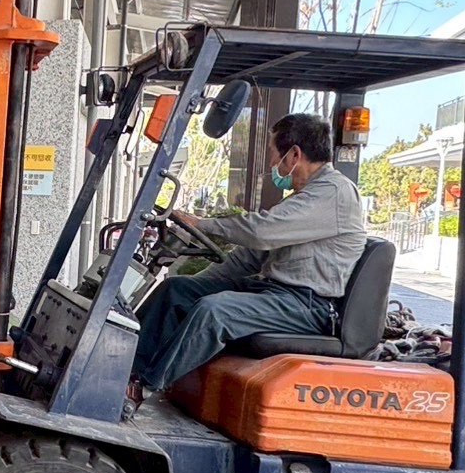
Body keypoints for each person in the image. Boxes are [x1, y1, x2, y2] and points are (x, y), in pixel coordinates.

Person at [127, 113, 366, 409]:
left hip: (307, 305)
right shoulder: (304, 198)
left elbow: (261, 232)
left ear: (294, 154)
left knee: (215, 311)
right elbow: (249, 257)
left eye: (273, 153)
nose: (271, 163)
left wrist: (202, 225)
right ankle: (123, 368)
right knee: (175, 290)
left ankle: (141, 387)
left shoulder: (334, 192)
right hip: (275, 294)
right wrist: (197, 284)